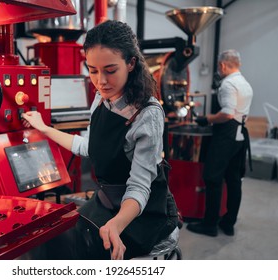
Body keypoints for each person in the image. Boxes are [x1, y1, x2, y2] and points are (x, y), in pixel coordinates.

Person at [22, 20, 178, 260]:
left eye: (110, 70)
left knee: (87, 251)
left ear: (131, 63)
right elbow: (90, 147)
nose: (100, 81)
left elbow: (139, 186)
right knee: (51, 238)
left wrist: (116, 224)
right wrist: (44, 128)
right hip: (108, 201)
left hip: (142, 213)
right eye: (93, 70)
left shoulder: (146, 113)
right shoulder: (101, 99)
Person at [187, 49, 253, 237]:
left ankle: (209, 225)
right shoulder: (245, 84)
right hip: (240, 137)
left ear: (223, 65)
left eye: (218, 66)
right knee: (233, 180)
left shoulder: (228, 84)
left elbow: (227, 113)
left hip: (226, 137)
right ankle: (228, 223)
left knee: (212, 178)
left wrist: (207, 119)